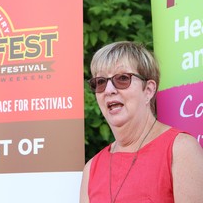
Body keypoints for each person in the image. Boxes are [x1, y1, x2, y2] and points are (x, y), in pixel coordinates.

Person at [80, 41, 203, 203]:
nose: (109, 90)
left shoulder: (180, 150)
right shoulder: (92, 169)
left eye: (122, 78)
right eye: (101, 82)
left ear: (149, 90)